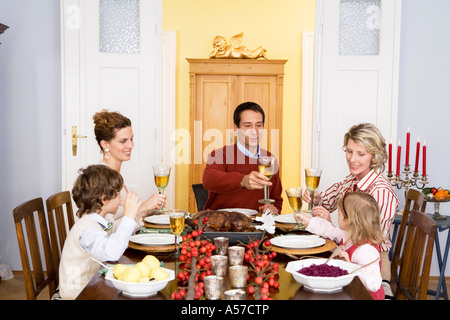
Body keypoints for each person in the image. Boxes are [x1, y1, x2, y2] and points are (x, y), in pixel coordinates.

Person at [302, 123, 398, 296]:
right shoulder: (351, 179)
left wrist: (332, 226)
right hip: (345, 252)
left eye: (361, 154)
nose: (352, 159)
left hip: (372, 267)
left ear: (374, 156)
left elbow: (370, 239)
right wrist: (316, 198)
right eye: (349, 151)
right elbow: (328, 201)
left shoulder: (382, 192)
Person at [59, 165, 142, 299]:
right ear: (104, 199)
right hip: (79, 293)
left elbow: (111, 229)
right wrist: (128, 218)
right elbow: (112, 252)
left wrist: (134, 216)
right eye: (118, 194)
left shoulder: (96, 221)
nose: (121, 200)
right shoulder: (87, 230)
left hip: (91, 284)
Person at [296, 192, 385, 300]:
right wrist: (308, 222)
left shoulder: (366, 251)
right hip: (350, 292)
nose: (337, 216)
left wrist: (350, 266)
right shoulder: (349, 235)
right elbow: (330, 230)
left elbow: (373, 284)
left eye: (339, 214)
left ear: (349, 221)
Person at [202, 101, 283, 214]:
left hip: (256, 226)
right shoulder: (220, 154)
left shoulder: (269, 158)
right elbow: (209, 179)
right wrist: (243, 180)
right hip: (221, 224)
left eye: (259, 125)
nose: (254, 131)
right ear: (236, 128)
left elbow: (276, 200)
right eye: (247, 126)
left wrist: (272, 209)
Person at [93, 109, 166, 220]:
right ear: (105, 144)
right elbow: (107, 230)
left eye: (131, 139)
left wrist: (150, 210)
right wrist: (144, 207)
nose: (131, 145)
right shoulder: (101, 181)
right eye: (123, 141)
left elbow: (124, 217)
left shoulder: (114, 175)